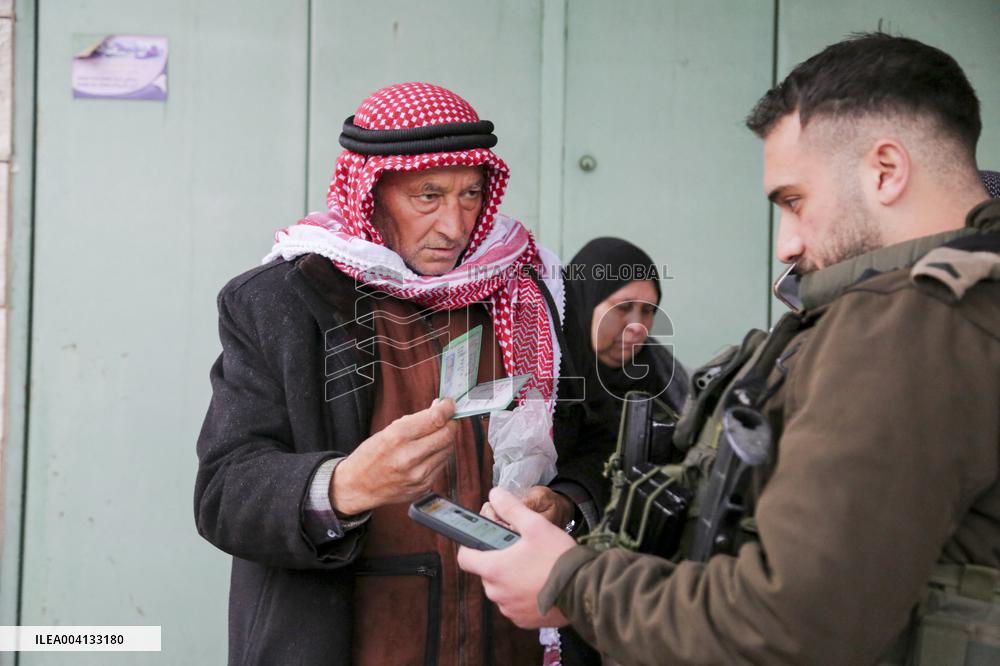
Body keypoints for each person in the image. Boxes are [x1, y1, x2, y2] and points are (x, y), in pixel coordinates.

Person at [458, 33, 1000, 665]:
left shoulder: (909, 325)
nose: (786, 245)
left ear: (886, 171)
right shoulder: (948, 309)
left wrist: (573, 584)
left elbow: (790, 622)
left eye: (795, 202)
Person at [195, 82, 584, 665]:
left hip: (509, 644)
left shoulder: (528, 292)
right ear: (371, 193)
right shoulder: (281, 301)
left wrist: (565, 504)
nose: (455, 226)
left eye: (471, 195)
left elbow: (593, 446)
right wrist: (345, 485)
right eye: (427, 196)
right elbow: (224, 492)